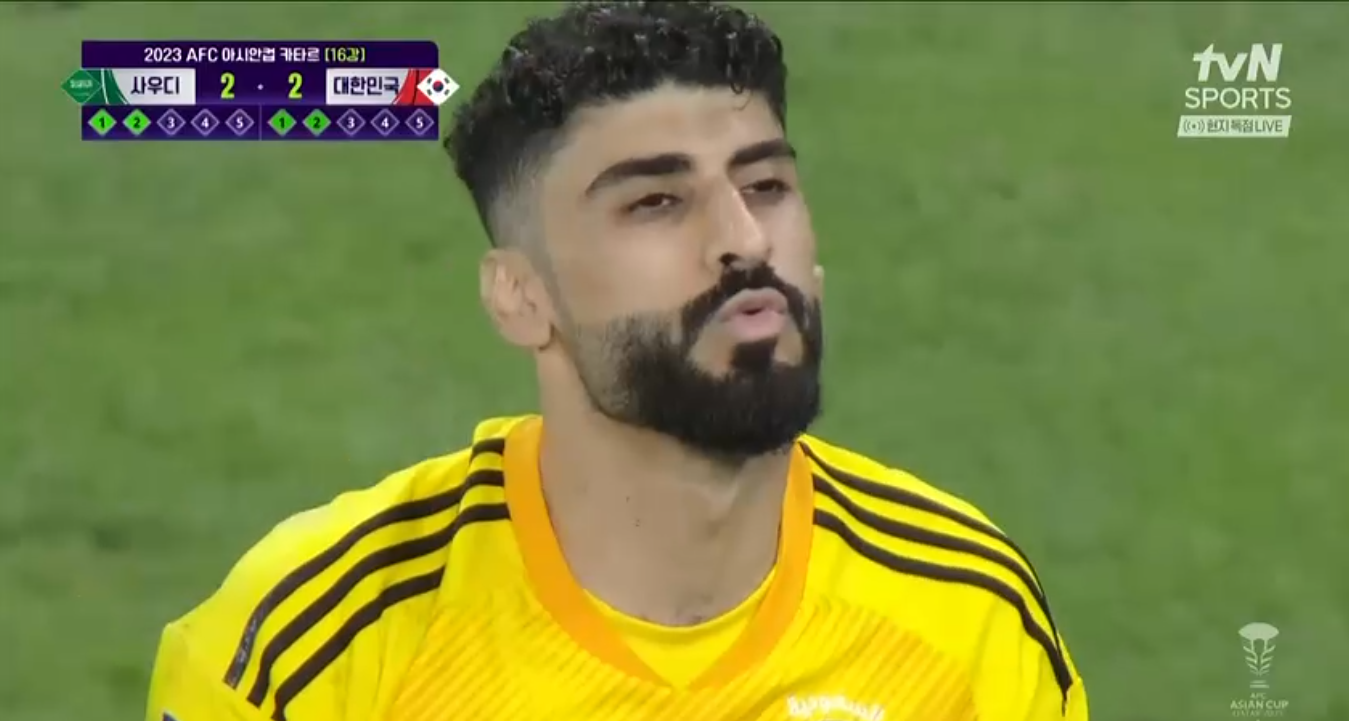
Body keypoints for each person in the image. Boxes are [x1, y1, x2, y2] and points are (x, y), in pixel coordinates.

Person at [145, 2, 1088, 720]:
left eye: (765, 183)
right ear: (520, 297)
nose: (742, 238)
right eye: (654, 203)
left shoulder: (965, 614)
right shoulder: (316, 647)